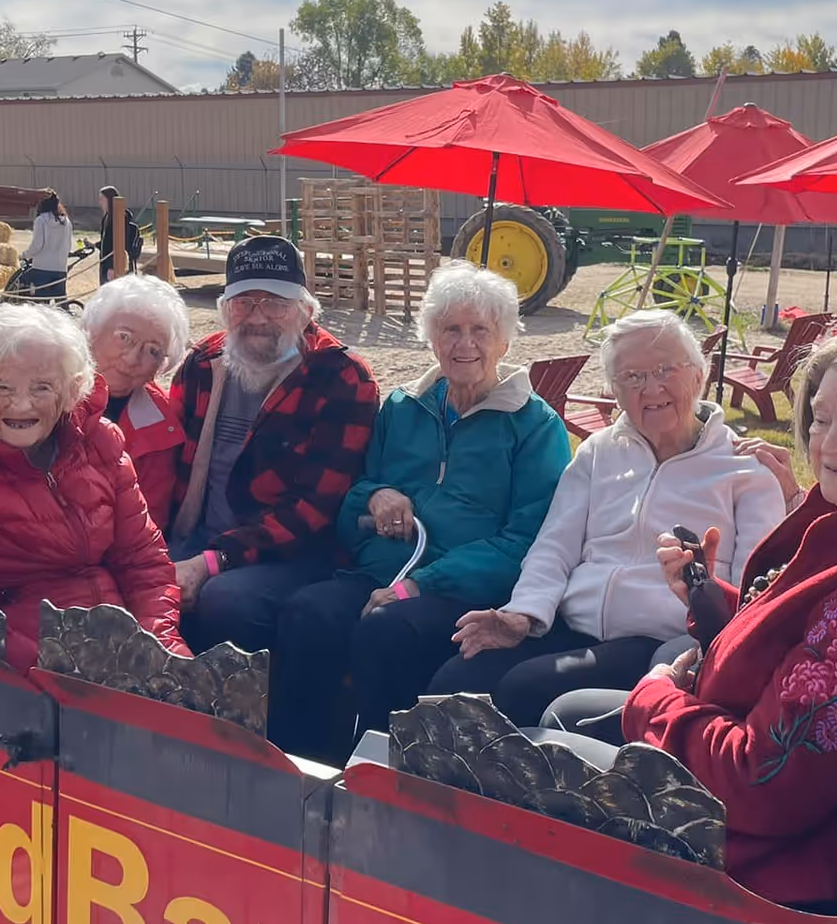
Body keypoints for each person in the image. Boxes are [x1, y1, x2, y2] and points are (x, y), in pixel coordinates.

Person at [547, 325, 837, 911]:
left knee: (546, 744)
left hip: (782, 857)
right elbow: (810, 637)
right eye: (821, 419)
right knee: (568, 711)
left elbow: (761, 783)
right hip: (813, 798)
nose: (827, 445)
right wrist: (709, 598)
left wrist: (655, 699)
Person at [265, 264, 571, 759]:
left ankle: (385, 772)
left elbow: (529, 540)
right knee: (309, 611)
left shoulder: (534, 426)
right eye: (450, 329)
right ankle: (294, 763)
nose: (464, 343)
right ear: (432, 338)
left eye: (480, 331)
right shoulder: (404, 407)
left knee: (391, 629)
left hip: (466, 590)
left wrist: (420, 584)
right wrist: (375, 496)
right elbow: (355, 496)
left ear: (506, 343)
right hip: (379, 572)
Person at [430, 309, 786, 727]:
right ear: (613, 391)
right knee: (452, 684)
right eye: (631, 377)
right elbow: (553, 548)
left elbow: (754, 593)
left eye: (666, 369)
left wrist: (704, 601)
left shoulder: (744, 470)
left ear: (699, 375)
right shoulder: (598, 452)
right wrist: (522, 615)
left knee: (526, 687)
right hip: (571, 626)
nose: (651, 387)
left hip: (664, 643)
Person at [0, 303, 182, 671]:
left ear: (72, 390)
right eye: (2, 387)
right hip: (15, 663)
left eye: (42, 387)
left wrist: (161, 647)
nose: (21, 404)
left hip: (117, 646)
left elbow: (144, 561)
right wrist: (57, 669)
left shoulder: (101, 441)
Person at [167, 235, 380, 657]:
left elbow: (313, 511)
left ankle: (242, 722)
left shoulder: (341, 377)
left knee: (225, 601)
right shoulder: (203, 365)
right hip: (193, 540)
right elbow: (167, 468)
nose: (258, 317)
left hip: (295, 554)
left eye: (275, 302)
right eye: (244, 303)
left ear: (305, 310)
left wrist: (212, 561)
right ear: (226, 311)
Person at [81, 272, 190, 528]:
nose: (132, 359)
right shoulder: (39, 389)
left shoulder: (161, 424)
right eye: (124, 337)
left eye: (153, 351)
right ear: (93, 332)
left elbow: (147, 524)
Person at [26, 191, 73, 304]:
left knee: (41, 304)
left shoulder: (41, 220)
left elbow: (37, 245)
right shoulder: (66, 221)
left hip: (42, 267)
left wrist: (25, 255)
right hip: (60, 267)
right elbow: (68, 245)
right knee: (61, 302)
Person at [97, 186, 144, 284]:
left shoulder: (121, 217)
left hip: (117, 263)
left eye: (102, 199)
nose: (100, 202)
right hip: (105, 262)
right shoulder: (106, 217)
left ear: (109, 200)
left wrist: (111, 266)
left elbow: (121, 243)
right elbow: (107, 242)